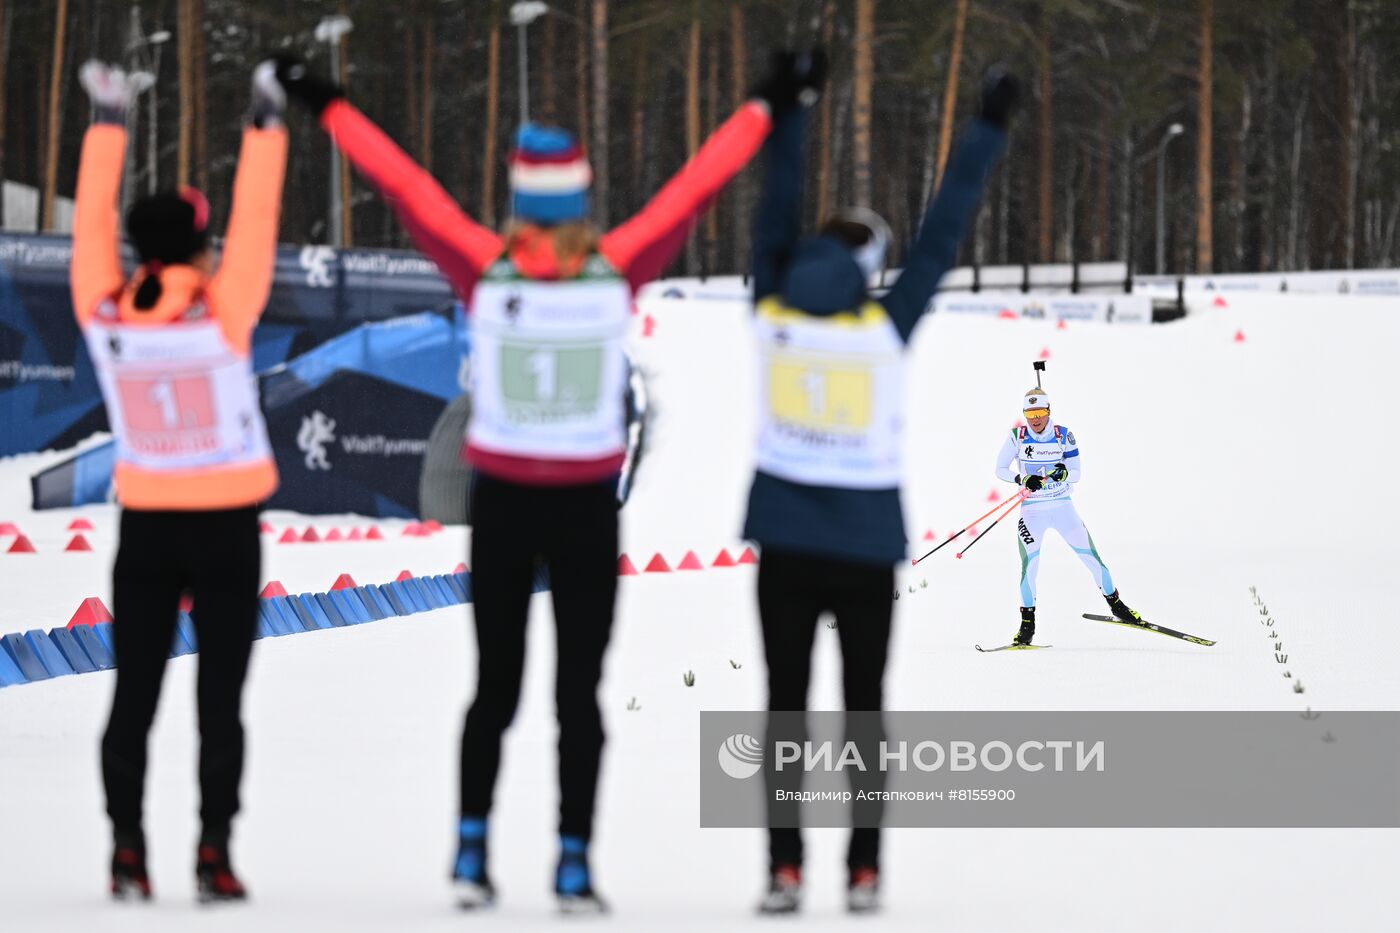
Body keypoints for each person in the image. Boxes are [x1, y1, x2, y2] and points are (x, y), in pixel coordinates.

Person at [272, 52, 822, 913]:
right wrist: (762, 102)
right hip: (580, 514)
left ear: (521, 202)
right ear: (581, 202)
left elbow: (408, 188)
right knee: (577, 694)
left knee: (496, 684)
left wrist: (328, 103)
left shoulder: (484, 266)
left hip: (508, 508)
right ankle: (569, 859)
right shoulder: (615, 266)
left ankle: (471, 848)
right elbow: (694, 188)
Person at [743, 65, 1018, 915]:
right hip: (864, 550)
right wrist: (985, 127)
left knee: (785, 710)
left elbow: (772, 213)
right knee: (865, 712)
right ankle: (864, 872)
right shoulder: (884, 323)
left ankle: (783, 871)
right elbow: (942, 235)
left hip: (784, 547)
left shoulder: (772, 308)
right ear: (871, 264)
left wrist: (788, 114)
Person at [71, 60, 288, 902]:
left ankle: (126, 849)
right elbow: (261, 219)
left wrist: (108, 119)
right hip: (229, 525)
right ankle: (214, 851)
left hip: (148, 528)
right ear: (203, 244)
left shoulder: (106, 307)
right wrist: (265, 124)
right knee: (220, 701)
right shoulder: (226, 304)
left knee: (134, 694)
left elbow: (89, 230)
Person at [995, 388, 1144, 647]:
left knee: (1092, 558)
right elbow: (1000, 469)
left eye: (1040, 412)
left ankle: (1117, 606)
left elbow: (1076, 472)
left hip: (1063, 507)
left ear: (1049, 410)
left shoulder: (1063, 435)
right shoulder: (1016, 437)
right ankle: (1027, 625)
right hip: (1032, 511)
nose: (1035, 419)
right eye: (1030, 413)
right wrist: (1022, 478)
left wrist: (1064, 473)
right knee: (1029, 567)